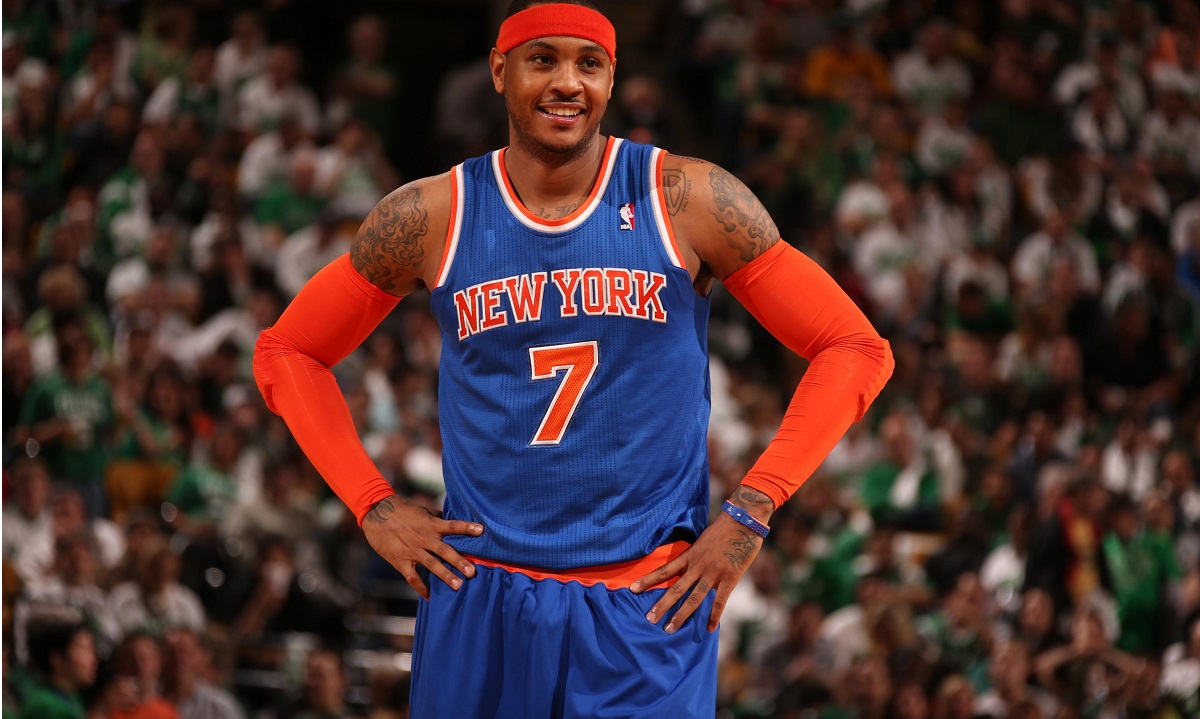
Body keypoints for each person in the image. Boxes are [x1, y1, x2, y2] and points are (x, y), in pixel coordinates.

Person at [252, 1, 893, 715]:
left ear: (612, 79)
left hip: (647, 600)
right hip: (481, 593)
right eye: (543, 60)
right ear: (500, 71)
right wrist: (372, 505)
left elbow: (855, 347)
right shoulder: (431, 215)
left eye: (589, 64)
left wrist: (751, 510)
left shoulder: (688, 199)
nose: (567, 82)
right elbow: (288, 350)